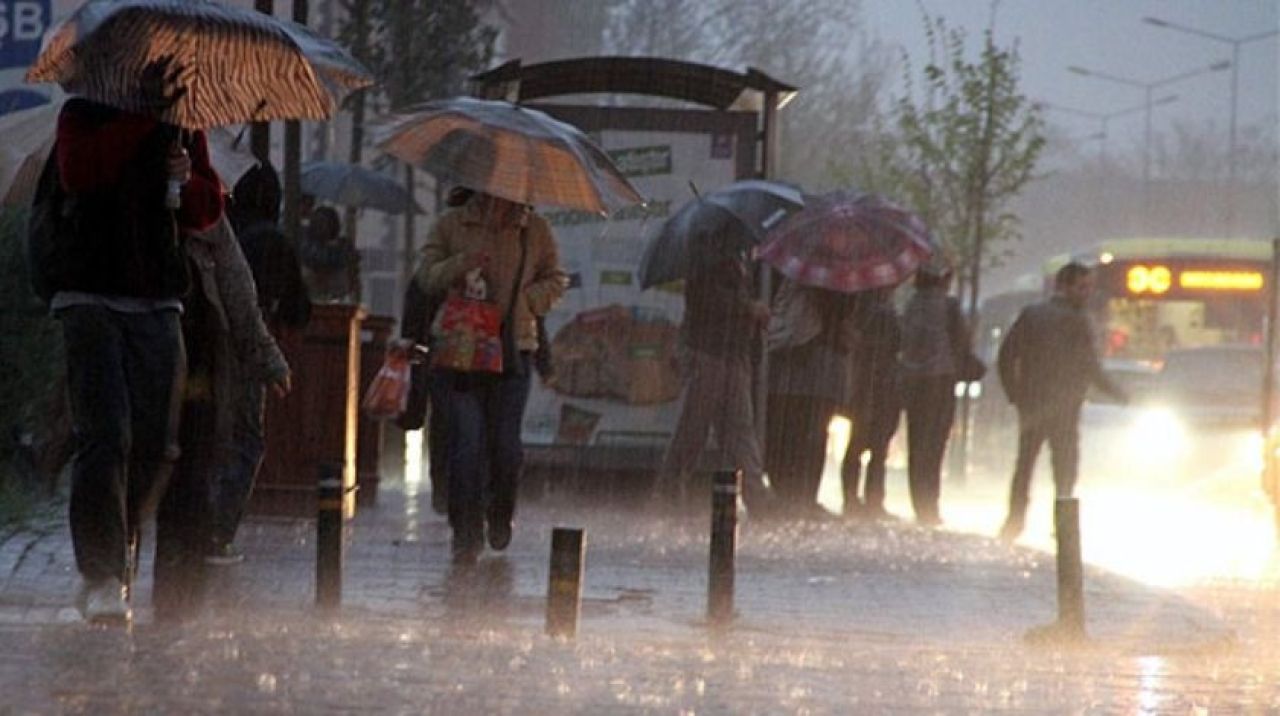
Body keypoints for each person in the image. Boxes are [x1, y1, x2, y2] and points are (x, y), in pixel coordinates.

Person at [38, 84, 223, 623]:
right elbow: (80, 172)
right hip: (88, 293)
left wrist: (185, 175)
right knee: (105, 433)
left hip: (158, 298)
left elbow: (204, 213)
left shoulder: (185, 124)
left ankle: (120, 540)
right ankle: (100, 572)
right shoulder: (83, 112)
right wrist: (141, 122)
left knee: (158, 443)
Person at [414, 191, 565, 564]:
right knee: (467, 444)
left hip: (513, 353)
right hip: (459, 354)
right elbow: (426, 276)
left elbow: (556, 278)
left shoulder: (536, 230)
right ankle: (465, 530)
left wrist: (530, 299)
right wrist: (459, 265)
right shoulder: (451, 224)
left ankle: (500, 511)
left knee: (505, 447)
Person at [153, 214, 291, 617]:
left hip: (199, 364)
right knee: (153, 464)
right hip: (149, 355)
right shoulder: (123, 200)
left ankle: (179, 591)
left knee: (191, 469)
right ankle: (127, 570)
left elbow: (237, 290)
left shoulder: (206, 214)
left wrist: (267, 357)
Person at [207, 162, 311, 563]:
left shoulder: (214, 229)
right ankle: (218, 533)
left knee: (207, 436)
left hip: (201, 344)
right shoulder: (271, 241)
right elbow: (298, 309)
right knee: (245, 440)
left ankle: (192, 522)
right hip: (248, 347)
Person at [996, 261, 1127, 542]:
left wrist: (1015, 395)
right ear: (1064, 287)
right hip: (1066, 406)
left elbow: (1007, 355)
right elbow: (1090, 366)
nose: (1087, 293)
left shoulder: (1031, 315)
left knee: (1025, 464)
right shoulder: (1078, 321)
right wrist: (1120, 395)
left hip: (1032, 403)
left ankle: (1014, 521)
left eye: (1089, 287)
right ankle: (1063, 527)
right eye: (1082, 287)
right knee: (1065, 467)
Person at [653, 227, 771, 510]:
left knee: (739, 430)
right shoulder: (705, 261)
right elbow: (710, 302)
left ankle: (757, 498)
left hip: (732, 354)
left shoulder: (737, 262)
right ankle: (669, 489)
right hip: (708, 354)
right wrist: (748, 308)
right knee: (694, 427)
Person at [765, 279, 859, 517]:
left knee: (792, 431)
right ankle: (802, 496)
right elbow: (837, 316)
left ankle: (790, 493)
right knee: (812, 433)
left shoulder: (791, 276)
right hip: (815, 364)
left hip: (793, 362)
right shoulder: (828, 281)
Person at [898, 260, 970, 526]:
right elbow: (962, 342)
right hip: (940, 379)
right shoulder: (949, 305)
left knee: (917, 443)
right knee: (936, 444)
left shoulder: (910, 305)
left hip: (912, 380)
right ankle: (931, 505)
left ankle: (920, 503)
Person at [840, 288, 902, 520]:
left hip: (864, 383)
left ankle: (852, 498)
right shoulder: (883, 312)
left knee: (859, 443)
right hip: (879, 385)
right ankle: (872, 499)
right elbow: (896, 344)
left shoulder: (860, 310)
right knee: (876, 445)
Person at [299, 205, 361, 303]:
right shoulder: (304, 239)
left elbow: (353, 277)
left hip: (333, 292)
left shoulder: (342, 246)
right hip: (307, 291)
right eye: (318, 222)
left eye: (324, 222)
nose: (320, 226)